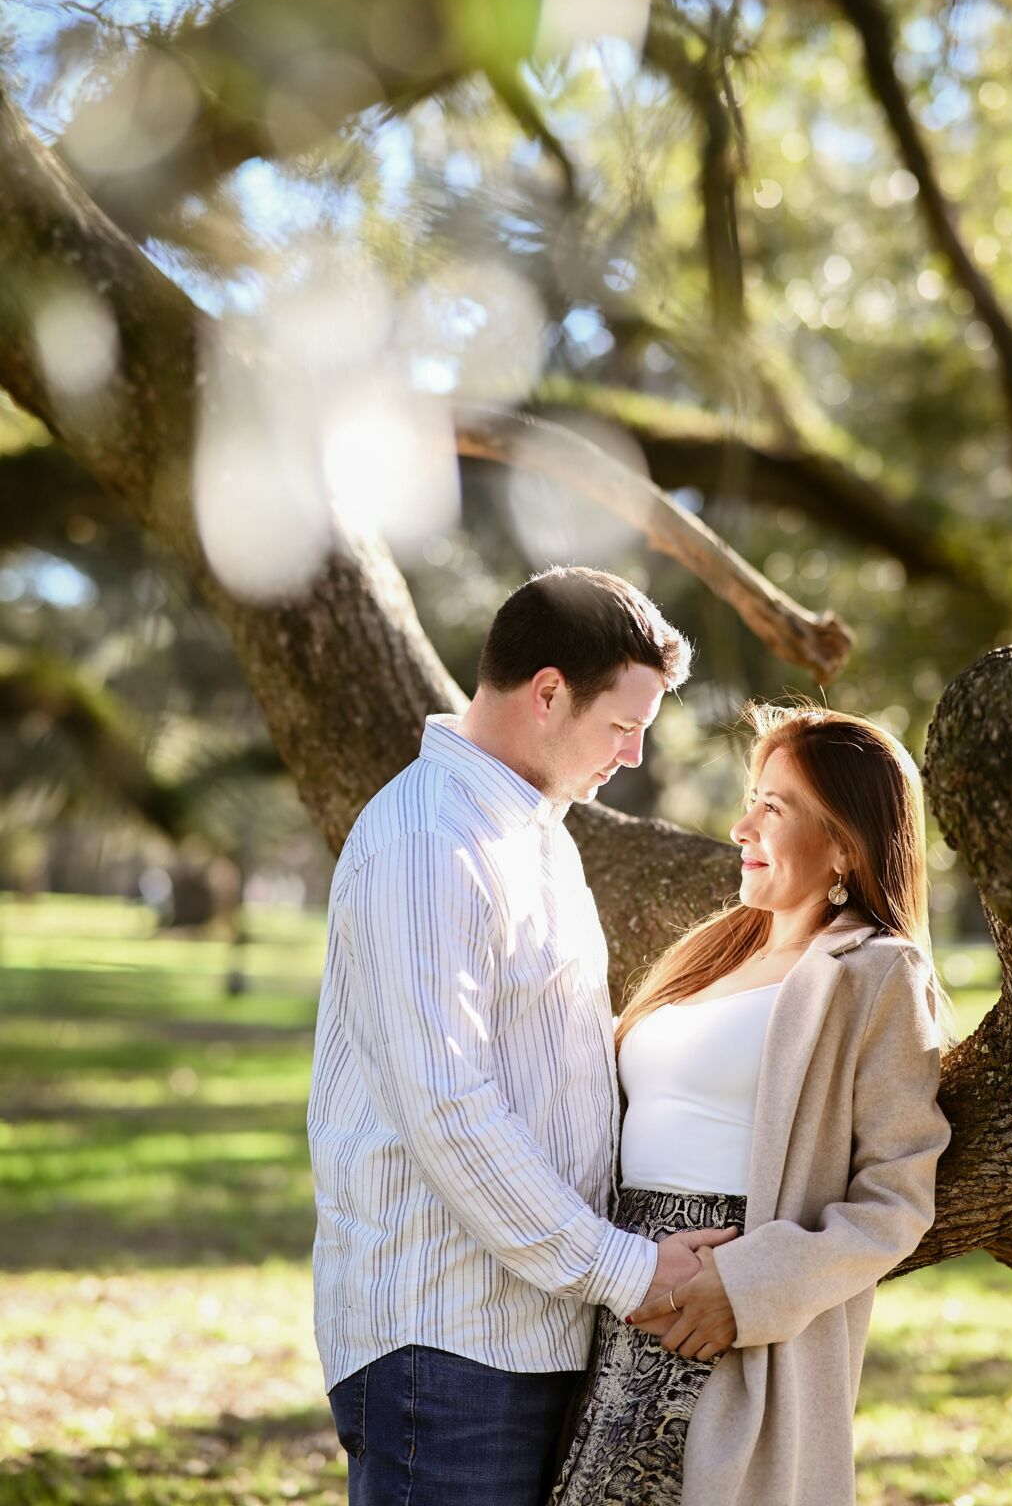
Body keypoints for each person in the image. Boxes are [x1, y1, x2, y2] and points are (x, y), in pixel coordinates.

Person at [307, 565, 725, 1506]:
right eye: (623, 727)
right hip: (445, 1346)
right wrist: (627, 1268)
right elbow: (451, 1109)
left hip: (531, 1329)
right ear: (546, 694)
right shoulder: (428, 840)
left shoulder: (535, 838)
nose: (629, 759)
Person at [549, 702, 954, 1506]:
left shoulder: (877, 973)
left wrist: (745, 1286)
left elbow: (896, 1200)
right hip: (618, 1296)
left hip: (725, 1323)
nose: (742, 826)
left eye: (774, 805)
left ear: (845, 841)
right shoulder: (709, 953)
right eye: (751, 799)